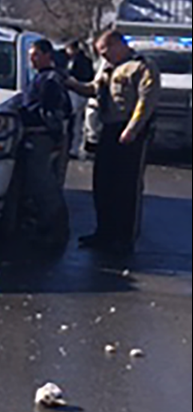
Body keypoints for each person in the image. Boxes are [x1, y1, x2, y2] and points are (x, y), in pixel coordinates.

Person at [64, 30, 161, 255]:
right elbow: (94, 89)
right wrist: (70, 83)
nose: (104, 57)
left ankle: (124, 238)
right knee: (103, 183)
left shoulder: (142, 67)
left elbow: (146, 101)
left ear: (118, 45)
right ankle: (104, 232)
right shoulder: (108, 68)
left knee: (126, 186)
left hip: (131, 131)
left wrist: (132, 129)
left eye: (105, 52)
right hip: (108, 128)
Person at [20, 39, 71, 247]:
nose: (32, 60)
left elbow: (52, 112)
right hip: (39, 136)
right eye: (31, 56)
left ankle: (54, 228)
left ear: (47, 55)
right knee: (37, 183)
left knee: (44, 184)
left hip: (41, 136)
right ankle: (45, 224)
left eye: (36, 55)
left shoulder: (49, 80)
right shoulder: (42, 77)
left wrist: (26, 114)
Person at [64, 40, 96, 158]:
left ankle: (74, 148)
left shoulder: (80, 61)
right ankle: (75, 147)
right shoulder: (81, 60)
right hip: (79, 93)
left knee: (75, 121)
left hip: (77, 93)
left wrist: (73, 81)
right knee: (78, 122)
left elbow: (82, 76)